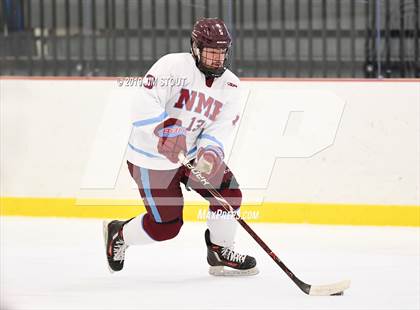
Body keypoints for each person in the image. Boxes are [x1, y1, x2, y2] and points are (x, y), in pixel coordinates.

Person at [103, 17, 258, 276]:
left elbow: (220, 126)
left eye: (222, 53)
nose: (217, 60)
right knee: (167, 228)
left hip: (192, 155)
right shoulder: (173, 66)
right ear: (195, 49)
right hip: (151, 158)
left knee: (229, 196)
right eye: (211, 53)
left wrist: (210, 153)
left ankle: (219, 251)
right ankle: (119, 233)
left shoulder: (230, 85)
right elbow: (144, 101)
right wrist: (166, 129)